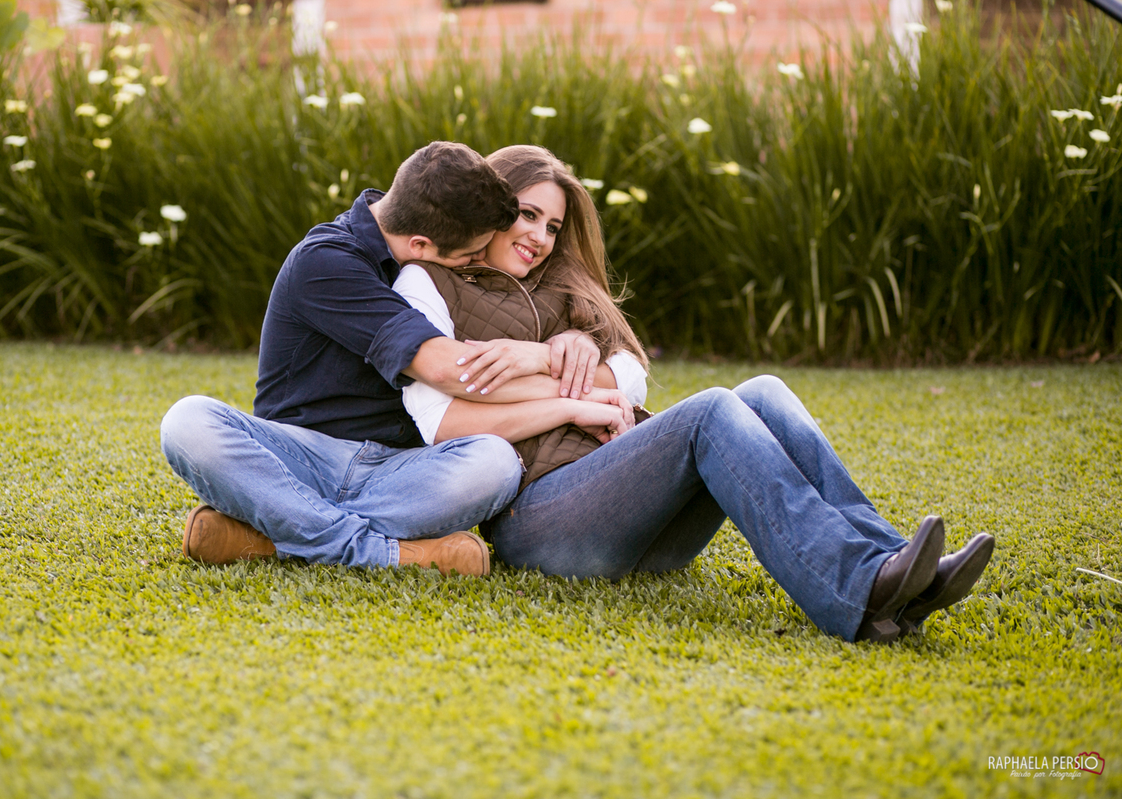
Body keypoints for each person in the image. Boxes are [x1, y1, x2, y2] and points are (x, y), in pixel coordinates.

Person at [390, 145, 996, 643]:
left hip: (631, 518)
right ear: (490, 207)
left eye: (552, 225)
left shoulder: (561, 284)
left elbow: (631, 373)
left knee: (764, 390)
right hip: (539, 523)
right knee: (709, 411)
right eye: (526, 215)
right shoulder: (428, 282)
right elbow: (443, 413)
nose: (541, 237)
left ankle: (898, 568)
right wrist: (573, 396)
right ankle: (858, 592)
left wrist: (551, 354)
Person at [160, 142, 625, 577]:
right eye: (468, 256)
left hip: (399, 473)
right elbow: (447, 369)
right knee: (187, 421)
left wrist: (567, 342)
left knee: (496, 462)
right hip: (304, 458)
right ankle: (390, 553)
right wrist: (572, 398)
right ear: (421, 245)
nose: (472, 264)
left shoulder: (428, 232)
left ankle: (271, 538)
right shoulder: (327, 262)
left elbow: (615, 358)